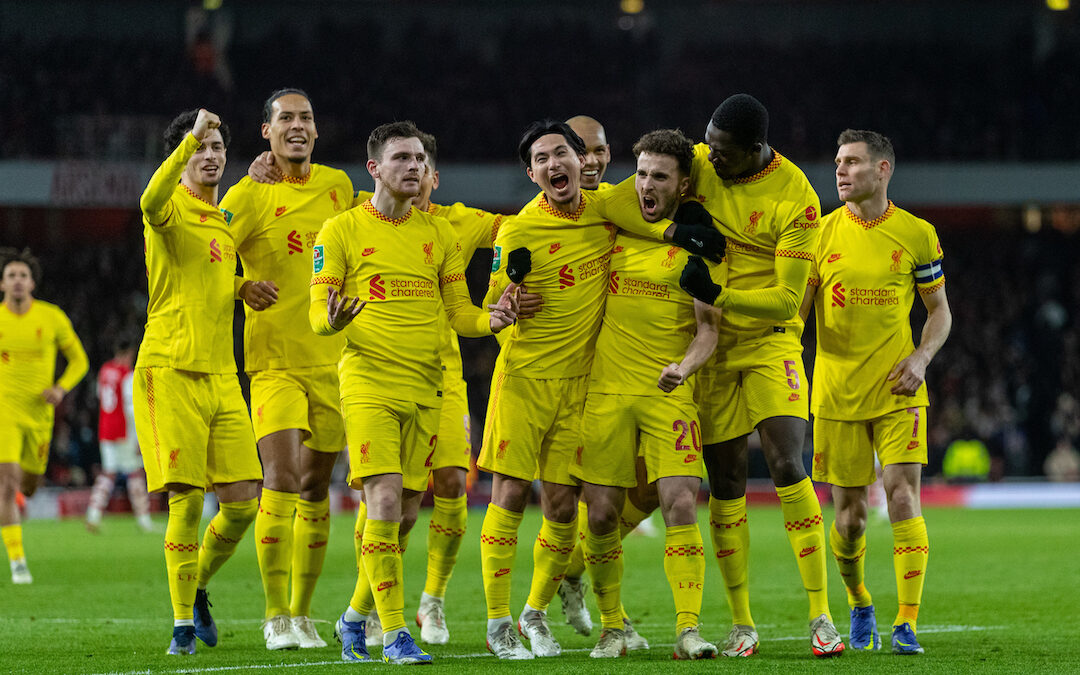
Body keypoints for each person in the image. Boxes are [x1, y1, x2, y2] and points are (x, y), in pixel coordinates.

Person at [478, 119, 723, 660]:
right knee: (511, 496)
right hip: (524, 381)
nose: (557, 165)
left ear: (583, 160)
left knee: (565, 507)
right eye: (542, 159)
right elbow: (496, 299)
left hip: (582, 387)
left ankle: (536, 613)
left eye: (565, 154)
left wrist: (691, 231)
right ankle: (498, 622)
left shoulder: (607, 210)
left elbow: (669, 197)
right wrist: (501, 311)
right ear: (531, 171)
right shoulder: (518, 230)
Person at [310, 120, 517, 665]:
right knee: (381, 499)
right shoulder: (340, 230)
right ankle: (398, 633)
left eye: (420, 159)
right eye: (402, 158)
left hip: (427, 386)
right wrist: (331, 322)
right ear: (375, 168)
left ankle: (353, 618)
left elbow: (458, 314)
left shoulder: (442, 236)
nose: (413, 167)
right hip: (369, 382)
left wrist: (491, 320)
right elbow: (317, 312)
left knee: (403, 514)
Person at [676, 94, 844, 657]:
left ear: (754, 150)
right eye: (708, 143)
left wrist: (720, 292)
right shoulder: (699, 162)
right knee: (723, 482)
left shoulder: (796, 196)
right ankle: (743, 623)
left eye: (722, 151)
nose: (710, 158)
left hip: (770, 343)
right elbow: (643, 197)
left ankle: (821, 617)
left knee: (784, 462)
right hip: (712, 347)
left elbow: (788, 299)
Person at [570, 128, 722, 659]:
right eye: (641, 174)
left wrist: (685, 367)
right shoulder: (611, 228)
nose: (646, 185)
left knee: (681, 503)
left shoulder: (697, 249)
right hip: (606, 391)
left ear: (682, 185)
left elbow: (709, 331)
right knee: (602, 516)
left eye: (659, 176)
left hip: (667, 391)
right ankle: (613, 626)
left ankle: (688, 630)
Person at [801, 130, 952, 655]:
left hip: (899, 388)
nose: (840, 171)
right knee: (849, 519)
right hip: (837, 392)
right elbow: (796, 316)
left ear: (883, 169)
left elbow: (939, 313)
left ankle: (906, 622)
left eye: (852, 163)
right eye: (838, 162)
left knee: (904, 495)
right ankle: (860, 600)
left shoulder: (916, 233)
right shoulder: (819, 235)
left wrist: (920, 358)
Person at [135, 108, 278, 655]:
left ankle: (193, 583)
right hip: (169, 369)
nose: (212, 154)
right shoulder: (169, 208)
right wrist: (188, 137)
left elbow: (207, 273)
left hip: (221, 375)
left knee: (243, 504)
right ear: (184, 156)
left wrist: (241, 287)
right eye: (203, 148)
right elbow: (148, 201)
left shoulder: (220, 221)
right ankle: (181, 628)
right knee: (187, 502)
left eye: (218, 147)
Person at [220, 88, 353, 651]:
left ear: (316, 131)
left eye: (306, 117)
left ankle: (301, 614)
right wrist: (239, 285)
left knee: (317, 486)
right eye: (286, 119)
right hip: (274, 362)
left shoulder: (339, 186)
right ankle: (274, 614)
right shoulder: (247, 194)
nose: (297, 125)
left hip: (335, 360)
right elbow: (199, 256)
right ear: (266, 130)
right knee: (278, 479)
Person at [0, 247, 88, 584]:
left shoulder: (51, 317)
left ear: (32, 283)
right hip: (4, 410)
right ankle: (18, 562)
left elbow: (80, 360)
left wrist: (61, 388)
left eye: (23, 275)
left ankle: (22, 495)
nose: (18, 281)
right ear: (3, 284)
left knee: (30, 485)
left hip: (40, 415)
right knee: (6, 482)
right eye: (12, 276)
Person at [86, 335, 156, 534]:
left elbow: (101, 397)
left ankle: (93, 514)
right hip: (123, 430)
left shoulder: (105, 370)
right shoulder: (127, 374)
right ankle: (144, 519)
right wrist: (138, 436)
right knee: (134, 473)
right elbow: (130, 407)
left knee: (108, 472)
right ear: (129, 354)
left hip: (106, 429)